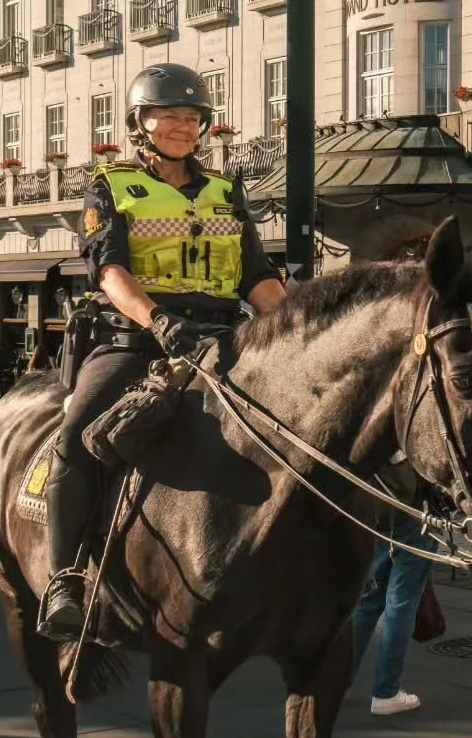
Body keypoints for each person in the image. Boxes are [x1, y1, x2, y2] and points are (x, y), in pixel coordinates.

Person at [36, 63, 286, 639]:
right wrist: (158, 319)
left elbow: (258, 276)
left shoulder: (226, 191)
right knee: (75, 439)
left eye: (193, 116)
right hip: (135, 340)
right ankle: (64, 579)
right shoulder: (112, 185)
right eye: (169, 114)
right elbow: (109, 270)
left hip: (223, 337)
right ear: (140, 123)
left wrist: (297, 324)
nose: (183, 125)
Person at [350, 484, 433, 716]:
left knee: (368, 603)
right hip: (415, 517)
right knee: (401, 604)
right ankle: (386, 692)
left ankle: (339, 682)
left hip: (380, 517)